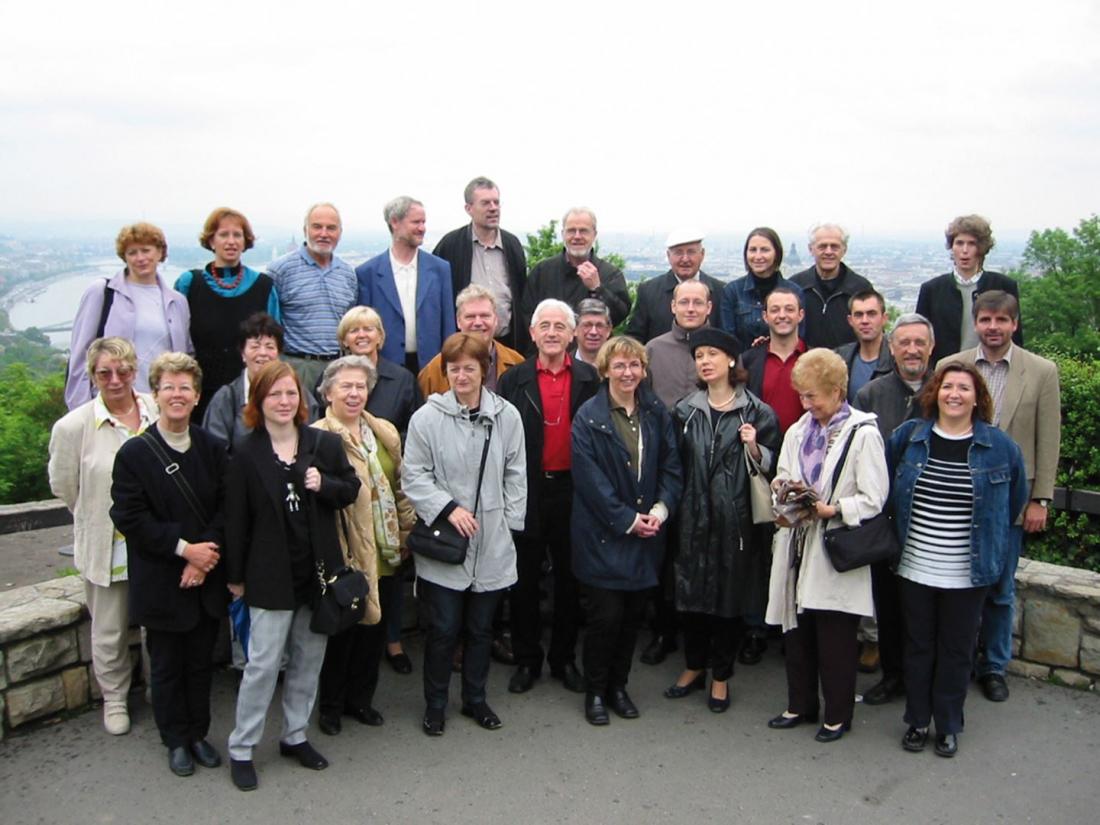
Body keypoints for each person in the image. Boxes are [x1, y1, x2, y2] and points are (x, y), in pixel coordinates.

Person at [224, 361, 361, 791]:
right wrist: (235, 577)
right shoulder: (245, 452)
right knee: (262, 665)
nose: (284, 402)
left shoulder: (323, 443)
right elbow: (235, 521)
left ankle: (295, 735)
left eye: (290, 394)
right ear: (258, 402)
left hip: (318, 573)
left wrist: (325, 486)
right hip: (268, 576)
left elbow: (350, 489)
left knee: (309, 660)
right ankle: (242, 747)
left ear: (302, 400)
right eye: (274, 395)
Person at [888, 363, 1027, 757]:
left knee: (957, 650)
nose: (954, 394)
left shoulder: (1000, 447)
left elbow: (1012, 500)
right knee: (918, 646)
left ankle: (948, 724)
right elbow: (888, 489)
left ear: (977, 397)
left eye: (964, 388)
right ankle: (917, 720)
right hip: (915, 565)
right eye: (947, 386)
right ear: (935, 393)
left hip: (968, 571)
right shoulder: (910, 437)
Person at [109, 352, 228, 777]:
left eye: (185, 388)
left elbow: (227, 508)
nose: (177, 395)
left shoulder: (214, 448)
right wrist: (185, 550)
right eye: (169, 387)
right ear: (155, 394)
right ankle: (175, 739)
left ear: (197, 396)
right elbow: (129, 516)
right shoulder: (135, 454)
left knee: (200, 664)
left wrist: (205, 555)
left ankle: (199, 733)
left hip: (205, 576)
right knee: (165, 666)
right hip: (162, 578)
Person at [402, 332, 527, 736]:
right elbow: (413, 475)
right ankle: (435, 704)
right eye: (453, 368)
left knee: (481, 630)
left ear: (483, 370)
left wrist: (508, 525)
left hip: (491, 540)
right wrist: (447, 508)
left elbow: (516, 473)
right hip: (444, 541)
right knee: (442, 630)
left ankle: (476, 699)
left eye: (469, 368)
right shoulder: (427, 418)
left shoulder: (506, 415)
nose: (461, 376)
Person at [938, 290, 1060, 703]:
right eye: (986, 319)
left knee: (1001, 588)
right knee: (954, 582)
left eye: (1001, 321)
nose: (993, 327)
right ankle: (957, 657)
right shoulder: (952, 368)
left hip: (1008, 498)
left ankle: (993, 665)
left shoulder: (1041, 372)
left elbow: (1049, 438)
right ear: (975, 322)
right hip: (954, 493)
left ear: (1014, 323)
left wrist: (1039, 498)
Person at [764, 348, 888, 743]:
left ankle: (837, 714)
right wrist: (784, 492)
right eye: (802, 395)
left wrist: (833, 508)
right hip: (797, 542)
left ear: (837, 391)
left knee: (834, 635)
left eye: (813, 395)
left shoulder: (863, 433)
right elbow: (782, 472)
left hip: (834, 546)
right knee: (796, 630)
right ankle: (799, 705)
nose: (806, 403)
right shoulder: (799, 429)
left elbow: (874, 498)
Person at [49, 337, 159, 735]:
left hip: (154, 542)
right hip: (107, 544)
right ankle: (114, 699)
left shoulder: (156, 409)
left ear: (135, 370)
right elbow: (64, 486)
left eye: (124, 371)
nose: (115, 380)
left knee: (156, 622)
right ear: (91, 375)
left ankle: (157, 689)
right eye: (104, 372)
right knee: (110, 628)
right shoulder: (73, 426)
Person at [571, 336, 682, 725]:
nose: (627, 372)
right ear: (604, 370)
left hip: (647, 533)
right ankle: (596, 692)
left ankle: (619, 687)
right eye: (619, 366)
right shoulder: (588, 416)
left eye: (634, 365)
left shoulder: (655, 412)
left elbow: (671, 466)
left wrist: (660, 510)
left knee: (633, 617)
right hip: (604, 536)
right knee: (606, 620)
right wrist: (627, 520)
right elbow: (590, 482)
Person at [668, 328, 779, 712]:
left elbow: (774, 468)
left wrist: (754, 446)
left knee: (728, 601)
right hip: (692, 518)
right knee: (691, 598)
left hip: (737, 522)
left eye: (712, 354)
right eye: (699, 356)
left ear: (732, 360)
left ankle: (721, 675)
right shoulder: (685, 410)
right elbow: (675, 466)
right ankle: (694, 665)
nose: (705, 361)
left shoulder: (758, 412)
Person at [499, 300, 600, 695]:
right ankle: (527, 660)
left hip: (574, 489)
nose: (553, 332)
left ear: (573, 334)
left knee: (569, 583)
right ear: (533, 332)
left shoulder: (591, 378)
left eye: (561, 325)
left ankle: (563, 660)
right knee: (523, 582)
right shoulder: (515, 379)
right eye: (545, 325)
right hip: (528, 489)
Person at [312, 356, 417, 735]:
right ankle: (330, 707)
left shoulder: (384, 432)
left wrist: (406, 532)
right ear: (328, 392)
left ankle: (361, 701)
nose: (355, 393)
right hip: (346, 550)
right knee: (343, 632)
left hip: (386, 549)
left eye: (361, 386)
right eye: (346, 386)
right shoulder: (318, 436)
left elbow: (400, 487)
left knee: (374, 631)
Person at [853, 312, 936, 706]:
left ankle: (926, 677)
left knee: (925, 604)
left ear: (931, 347)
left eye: (919, 342)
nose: (912, 350)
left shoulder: (947, 388)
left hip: (933, 514)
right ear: (891, 347)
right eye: (904, 342)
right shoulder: (872, 393)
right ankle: (893, 675)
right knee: (886, 601)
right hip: (884, 513)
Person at [66, 223, 192, 409]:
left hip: (160, 407)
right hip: (111, 404)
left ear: (159, 253)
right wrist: (82, 409)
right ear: (124, 257)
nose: (140, 258)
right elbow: (80, 355)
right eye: (132, 252)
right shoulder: (102, 292)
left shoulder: (178, 302)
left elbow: (186, 356)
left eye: (146, 250)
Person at [174, 208, 280, 417]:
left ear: (245, 241)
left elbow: (275, 344)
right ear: (211, 241)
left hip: (250, 392)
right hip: (200, 390)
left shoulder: (264, 286)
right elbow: (176, 337)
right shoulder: (189, 284)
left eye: (237, 235)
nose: (231, 241)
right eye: (223, 235)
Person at [356, 196, 456, 373]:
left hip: (432, 368)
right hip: (386, 369)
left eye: (424, 222)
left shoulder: (440, 269)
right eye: (416, 222)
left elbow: (448, 324)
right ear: (394, 222)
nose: (422, 228)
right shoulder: (367, 273)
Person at [433, 176, 529, 352]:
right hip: (464, 345)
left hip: (508, 342)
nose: (493, 208)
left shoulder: (512, 244)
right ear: (469, 208)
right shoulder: (451, 245)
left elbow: (522, 295)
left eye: (496, 202)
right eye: (485, 203)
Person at [268, 203, 358, 389]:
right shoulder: (280, 270)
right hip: (299, 367)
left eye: (331, 228)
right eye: (317, 226)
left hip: (338, 368)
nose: (324, 234)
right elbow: (269, 323)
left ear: (340, 233)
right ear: (305, 230)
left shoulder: (348, 274)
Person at [917, 215, 1022, 368]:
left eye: (971, 244)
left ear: (982, 248)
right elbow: (921, 337)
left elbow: (1016, 337)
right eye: (959, 243)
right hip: (945, 374)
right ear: (952, 247)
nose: (965, 250)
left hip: (995, 370)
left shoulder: (1003, 286)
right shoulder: (932, 289)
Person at [521, 207, 631, 332]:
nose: (577, 236)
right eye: (571, 231)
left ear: (594, 234)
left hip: (594, 350)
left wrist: (597, 289)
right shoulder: (542, 272)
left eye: (583, 231)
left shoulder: (610, 273)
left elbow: (620, 315)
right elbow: (527, 316)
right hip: (550, 349)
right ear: (563, 234)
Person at [324, 306, 422, 439]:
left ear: (380, 337)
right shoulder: (330, 376)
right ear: (344, 340)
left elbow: (416, 428)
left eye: (368, 329)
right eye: (354, 330)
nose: (361, 335)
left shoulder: (403, 380)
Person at [418, 285, 524, 397]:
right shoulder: (435, 369)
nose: (478, 322)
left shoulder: (516, 362)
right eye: (470, 317)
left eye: (485, 316)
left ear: (496, 320)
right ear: (458, 322)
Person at [202, 312, 286, 451]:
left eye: (270, 346)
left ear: (279, 353)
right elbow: (215, 454)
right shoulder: (226, 399)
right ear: (242, 354)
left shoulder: (295, 394)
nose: (263, 353)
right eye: (255, 346)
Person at [626, 230, 725, 344]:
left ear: (702, 254)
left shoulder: (720, 291)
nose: (685, 259)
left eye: (691, 252)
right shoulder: (649, 291)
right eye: (678, 253)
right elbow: (635, 338)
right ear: (668, 256)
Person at [720, 227, 805, 351]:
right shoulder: (732, 291)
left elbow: (800, 336)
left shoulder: (794, 292)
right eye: (753, 250)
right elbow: (727, 339)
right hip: (743, 366)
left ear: (776, 253)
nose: (758, 256)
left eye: (764, 250)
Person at [790, 223, 873, 349]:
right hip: (803, 363)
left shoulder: (860, 288)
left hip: (847, 364)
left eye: (834, 247)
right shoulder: (795, 286)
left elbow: (873, 332)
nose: (828, 252)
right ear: (811, 249)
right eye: (822, 246)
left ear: (844, 250)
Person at [742, 286, 808, 436]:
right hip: (762, 449)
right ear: (765, 317)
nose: (782, 315)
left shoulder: (815, 359)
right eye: (775, 310)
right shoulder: (749, 361)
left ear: (800, 315)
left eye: (789, 309)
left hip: (807, 450)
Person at [645, 279, 715, 410]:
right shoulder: (653, 349)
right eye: (684, 302)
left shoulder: (724, 350)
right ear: (673, 306)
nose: (690, 309)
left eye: (698, 303)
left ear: (709, 307)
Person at [835, 289, 893, 403]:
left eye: (871, 314)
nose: (865, 321)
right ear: (850, 320)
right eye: (858, 315)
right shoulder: (839, 359)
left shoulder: (897, 359)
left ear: (884, 318)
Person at [573, 298, 613, 366]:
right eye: (587, 325)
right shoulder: (562, 367)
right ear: (574, 329)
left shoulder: (620, 368)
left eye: (599, 325)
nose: (593, 332)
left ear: (608, 330)